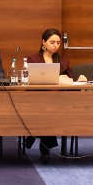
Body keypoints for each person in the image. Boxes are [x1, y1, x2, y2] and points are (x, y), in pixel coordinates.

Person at [24, 29, 73, 157]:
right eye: (52, 42)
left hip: (58, 100)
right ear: (43, 42)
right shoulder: (33, 59)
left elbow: (70, 80)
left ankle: (32, 136)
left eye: (58, 43)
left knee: (48, 110)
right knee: (44, 110)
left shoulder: (63, 60)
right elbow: (28, 79)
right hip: (37, 99)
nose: (55, 45)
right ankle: (45, 147)